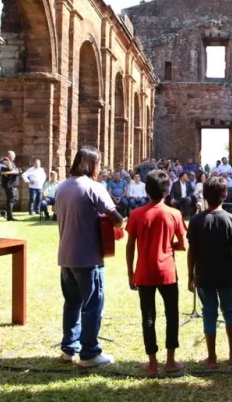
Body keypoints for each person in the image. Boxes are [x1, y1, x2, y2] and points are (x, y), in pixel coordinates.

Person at [56, 146, 124, 368]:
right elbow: (116, 218)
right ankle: (89, 353)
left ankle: (69, 349)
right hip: (88, 257)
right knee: (93, 304)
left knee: (72, 303)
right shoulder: (93, 187)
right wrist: (118, 225)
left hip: (66, 256)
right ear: (92, 164)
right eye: (99, 163)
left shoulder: (62, 187)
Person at [126, 170, 187, 376]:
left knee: (148, 317)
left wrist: (129, 272)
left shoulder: (136, 214)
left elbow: (130, 245)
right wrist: (169, 246)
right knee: (172, 315)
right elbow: (184, 244)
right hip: (167, 271)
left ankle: (152, 363)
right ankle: (170, 361)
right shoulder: (174, 214)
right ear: (167, 190)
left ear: (146, 190)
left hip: (144, 272)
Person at [187, 177, 232, 369]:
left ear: (204, 196)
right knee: (230, 312)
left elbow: (192, 252)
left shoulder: (196, 221)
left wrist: (191, 275)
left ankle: (211, 357)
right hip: (227, 275)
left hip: (204, 276)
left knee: (209, 313)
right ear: (225, 195)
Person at [0, 151, 21, 221]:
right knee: (11, 200)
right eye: (13, 155)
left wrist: (16, 171)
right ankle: (10, 217)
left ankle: (4, 210)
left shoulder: (12, 162)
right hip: (9, 184)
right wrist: (14, 172)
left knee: (15, 198)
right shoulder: (4, 162)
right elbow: (3, 172)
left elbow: (13, 169)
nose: (14, 157)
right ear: (8, 155)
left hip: (14, 183)